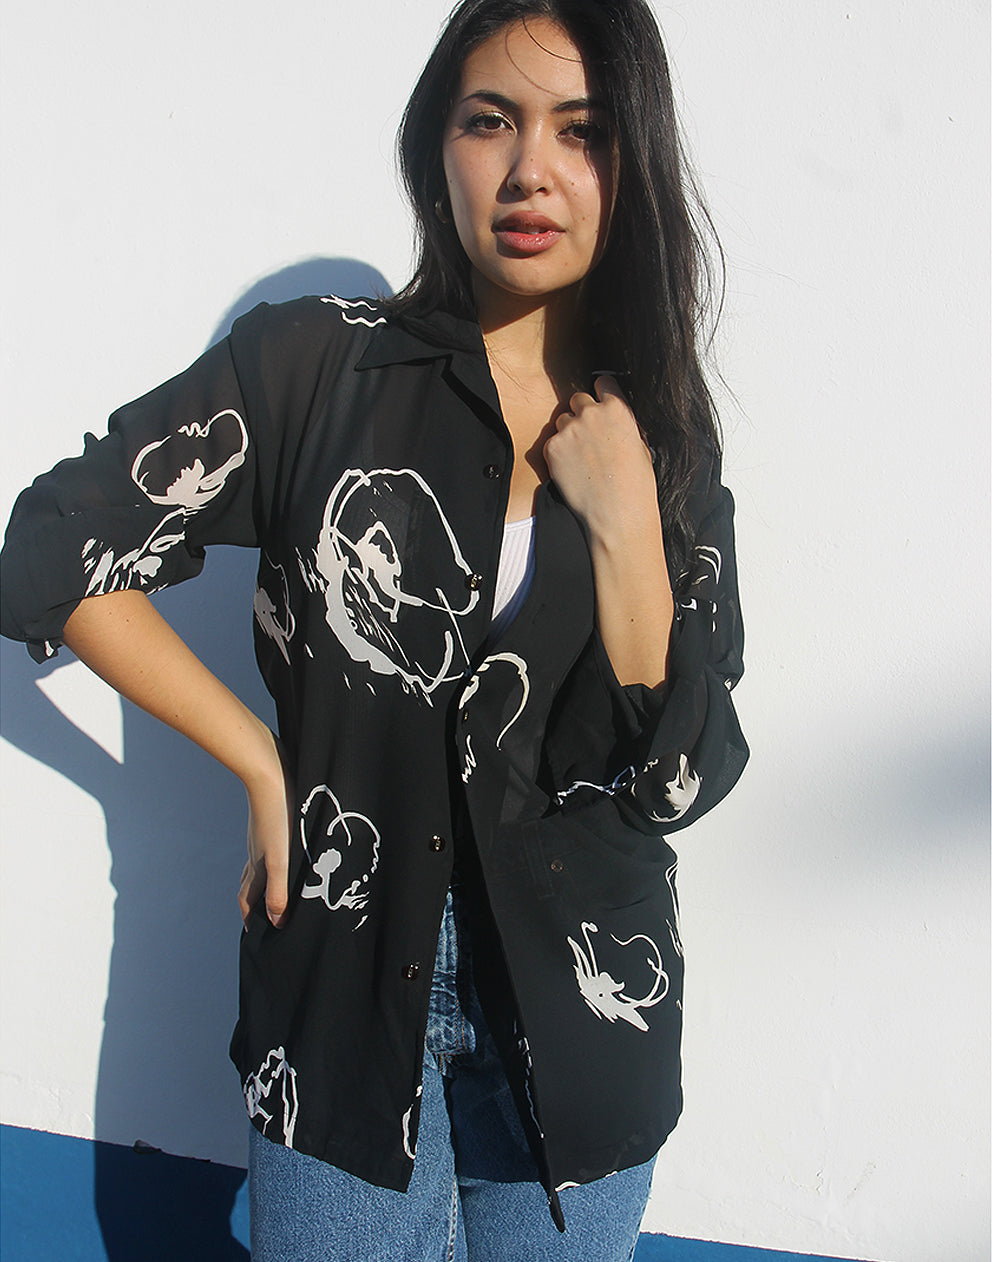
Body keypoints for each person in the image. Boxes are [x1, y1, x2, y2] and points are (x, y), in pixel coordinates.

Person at [0, 0, 748, 1257]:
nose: (530, 170)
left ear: (633, 163)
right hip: (338, 1003)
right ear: (433, 147)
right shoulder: (314, 368)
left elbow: (679, 777)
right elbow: (50, 549)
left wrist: (625, 529)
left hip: (579, 1033)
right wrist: (256, 757)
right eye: (489, 121)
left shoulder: (663, 434)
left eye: (581, 131)